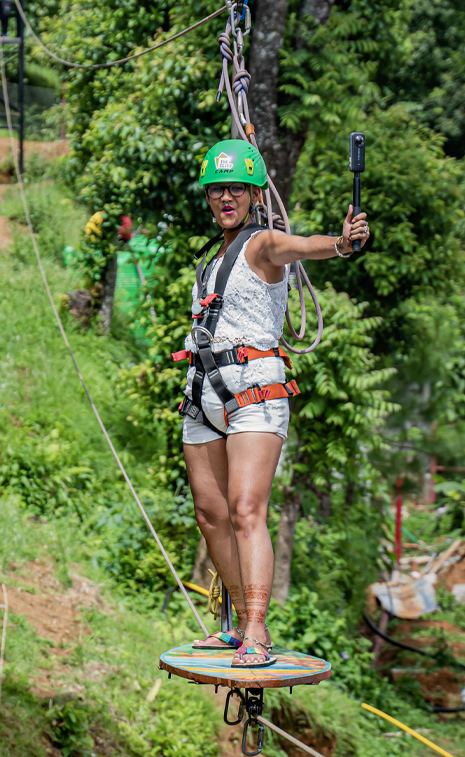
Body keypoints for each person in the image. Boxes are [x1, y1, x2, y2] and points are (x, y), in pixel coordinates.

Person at [180, 140, 370, 667]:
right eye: (217, 189)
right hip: (205, 394)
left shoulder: (262, 242)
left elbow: (302, 246)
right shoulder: (211, 253)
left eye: (236, 188)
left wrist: (342, 242)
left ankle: (258, 632)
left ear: (255, 193)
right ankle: (238, 624)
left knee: (245, 510)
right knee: (210, 514)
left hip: (254, 392)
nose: (225, 197)